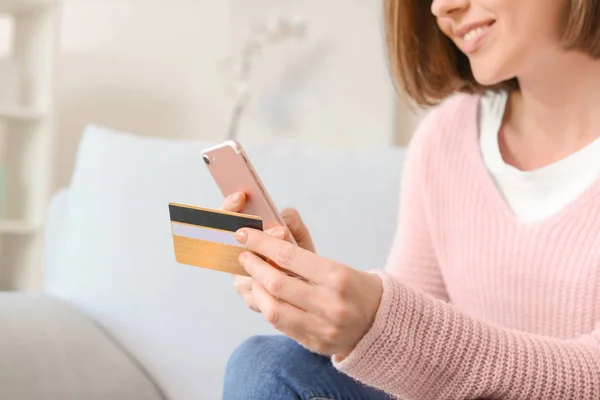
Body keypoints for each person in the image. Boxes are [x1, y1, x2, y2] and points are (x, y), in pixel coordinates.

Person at [221, 0, 600, 398]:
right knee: (268, 365)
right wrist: (318, 307)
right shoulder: (447, 136)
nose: (442, 7)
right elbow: (411, 369)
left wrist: (381, 322)